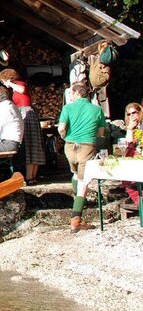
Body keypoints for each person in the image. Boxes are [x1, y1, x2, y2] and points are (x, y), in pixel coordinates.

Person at [57, 83, 107, 233]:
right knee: (83, 181)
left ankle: (78, 203)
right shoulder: (97, 109)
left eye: (71, 93)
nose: (70, 96)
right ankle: (76, 219)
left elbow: (61, 128)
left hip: (69, 147)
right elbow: (100, 133)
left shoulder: (67, 108)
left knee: (75, 174)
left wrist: (65, 136)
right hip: (87, 146)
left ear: (76, 94)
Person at [0, 68, 45, 184]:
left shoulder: (19, 84)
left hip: (26, 113)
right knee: (31, 145)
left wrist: (9, 83)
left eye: (3, 81)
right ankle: (31, 176)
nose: (4, 84)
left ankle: (30, 176)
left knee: (30, 144)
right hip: (26, 113)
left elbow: (22, 89)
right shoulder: (15, 89)